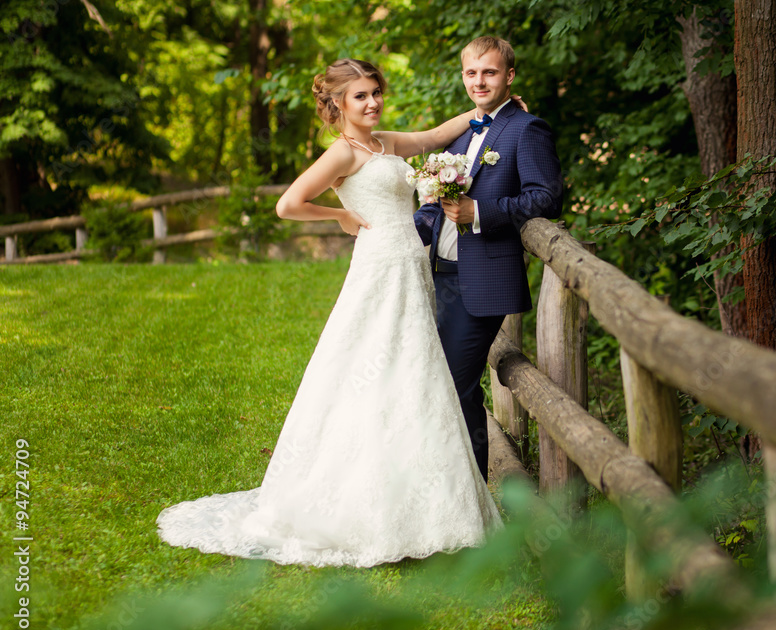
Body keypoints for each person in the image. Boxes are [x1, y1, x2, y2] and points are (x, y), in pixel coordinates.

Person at [156, 58, 508, 568]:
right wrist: (339, 213)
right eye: (360, 96)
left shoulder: (384, 142)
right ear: (338, 104)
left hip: (410, 268)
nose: (372, 103)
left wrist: (486, 111)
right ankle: (354, 504)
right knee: (371, 366)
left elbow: (434, 135)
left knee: (411, 373)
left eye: (376, 93)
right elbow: (288, 203)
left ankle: (424, 505)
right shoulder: (343, 152)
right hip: (379, 268)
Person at [414, 36, 563, 481]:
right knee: (440, 383)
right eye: (471, 73)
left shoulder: (526, 129)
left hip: (484, 281)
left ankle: (473, 491)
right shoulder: (461, 133)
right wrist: (401, 232)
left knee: (456, 386)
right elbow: (433, 203)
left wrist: (480, 211)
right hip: (439, 275)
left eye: (490, 72)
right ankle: (445, 485)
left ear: (509, 76)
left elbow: (547, 197)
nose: (480, 81)